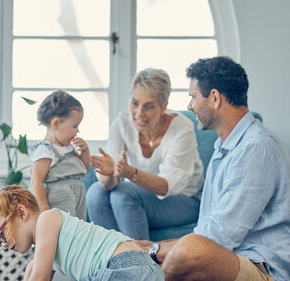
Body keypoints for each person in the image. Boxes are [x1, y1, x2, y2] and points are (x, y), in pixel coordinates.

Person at [138, 56, 290, 281]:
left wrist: (155, 250)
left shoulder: (256, 147)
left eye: (193, 97)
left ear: (214, 98)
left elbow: (218, 237)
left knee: (189, 248)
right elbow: (210, 230)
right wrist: (150, 247)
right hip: (230, 267)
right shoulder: (223, 147)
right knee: (154, 248)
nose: (189, 106)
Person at [0, 185, 203, 281]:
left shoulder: (47, 219)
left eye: (1, 234)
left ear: (21, 212)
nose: (3, 244)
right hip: (143, 279)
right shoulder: (42, 256)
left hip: (128, 269)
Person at [86, 68, 203, 240]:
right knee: (96, 193)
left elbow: (167, 186)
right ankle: (111, 262)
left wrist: (129, 172)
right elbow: (108, 183)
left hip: (184, 199)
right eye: (135, 103)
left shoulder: (182, 128)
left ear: (163, 107)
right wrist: (110, 173)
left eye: (149, 106)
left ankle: (140, 263)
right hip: (135, 198)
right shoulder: (121, 124)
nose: (139, 113)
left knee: (123, 194)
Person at [29, 90, 90, 220]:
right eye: (75, 126)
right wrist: (45, 210)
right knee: (63, 230)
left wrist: (85, 151)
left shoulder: (68, 147)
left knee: (78, 229)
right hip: (59, 198)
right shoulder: (45, 150)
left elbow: (84, 168)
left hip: (76, 195)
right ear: (56, 123)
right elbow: (36, 181)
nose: (78, 130)